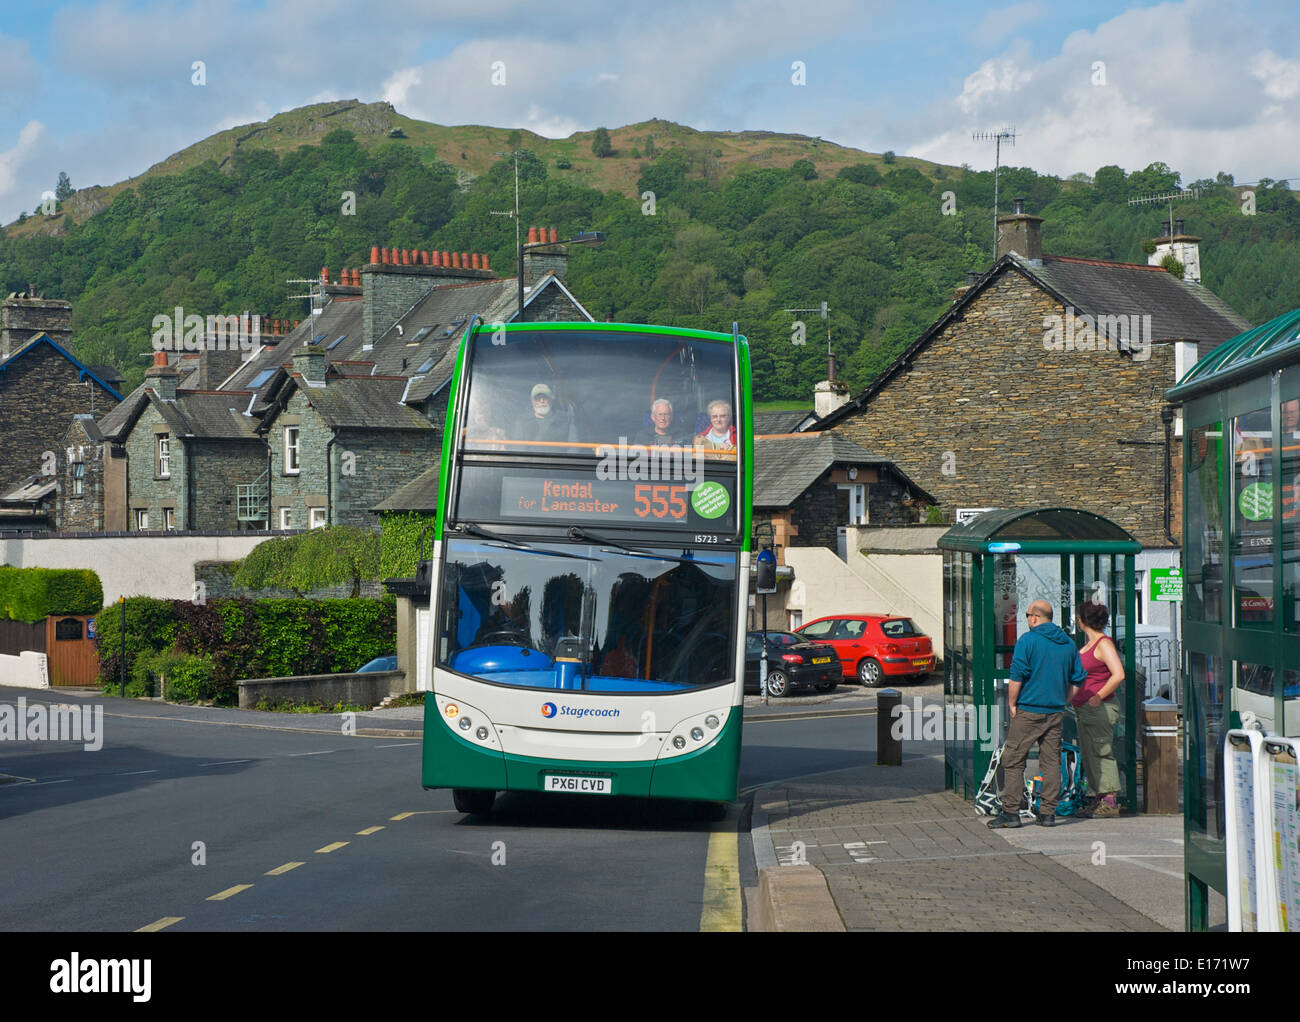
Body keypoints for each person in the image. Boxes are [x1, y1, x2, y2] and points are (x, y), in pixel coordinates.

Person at [987, 600, 1084, 829]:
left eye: (1028, 614)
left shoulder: (1028, 640)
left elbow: (1017, 676)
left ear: (1035, 617)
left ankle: (1011, 812)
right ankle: (1048, 813)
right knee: (1050, 762)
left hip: (1029, 710)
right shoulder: (1068, 644)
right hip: (1055, 712)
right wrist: (1063, 700)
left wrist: (1012, 704)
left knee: (1013, 758)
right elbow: (1078, 679)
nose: (1027, 619)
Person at [1073, 601, 1124, 818]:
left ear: (1083, 621)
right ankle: (1100, 799)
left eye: (1078, 617)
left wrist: (1098, 696)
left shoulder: (1103, 644)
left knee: (1101, 751)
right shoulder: (1088, 645)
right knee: (1089, 753)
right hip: (1084, 708)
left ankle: (1110, 801)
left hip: (1099, 708)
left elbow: (1119, 674)